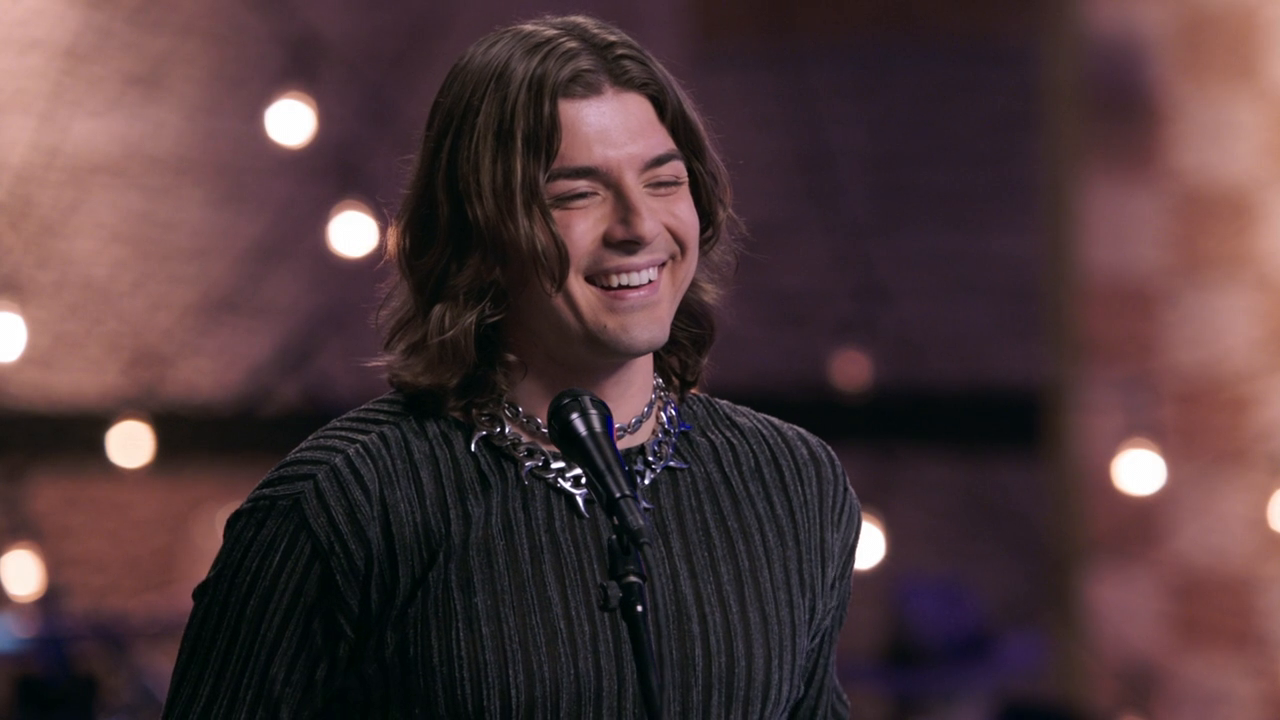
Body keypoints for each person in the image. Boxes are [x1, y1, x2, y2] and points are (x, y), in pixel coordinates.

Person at [163, 14, 861, 719]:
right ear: (480, 230)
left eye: (664, 181)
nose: (638, 226)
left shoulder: (793, 483)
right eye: (576, 194)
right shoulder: (343, 502)